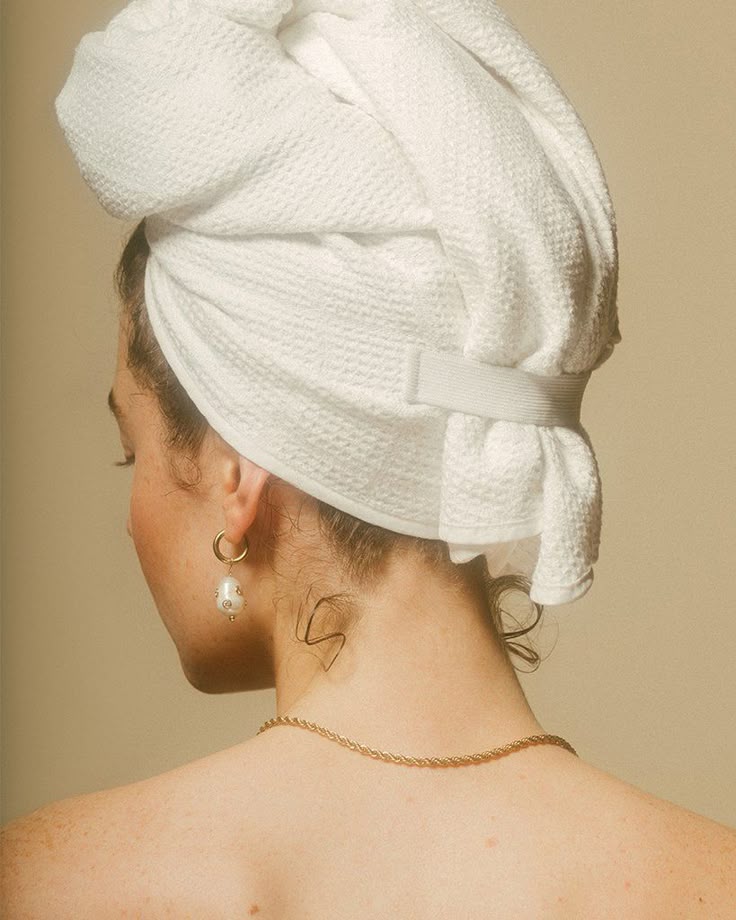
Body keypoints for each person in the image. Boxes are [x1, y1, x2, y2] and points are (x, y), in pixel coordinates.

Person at [2, 0, 735, 916]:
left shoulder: (46, 881)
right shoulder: (709, 883)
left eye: (131, 453)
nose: (128, 514)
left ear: (238, 475)